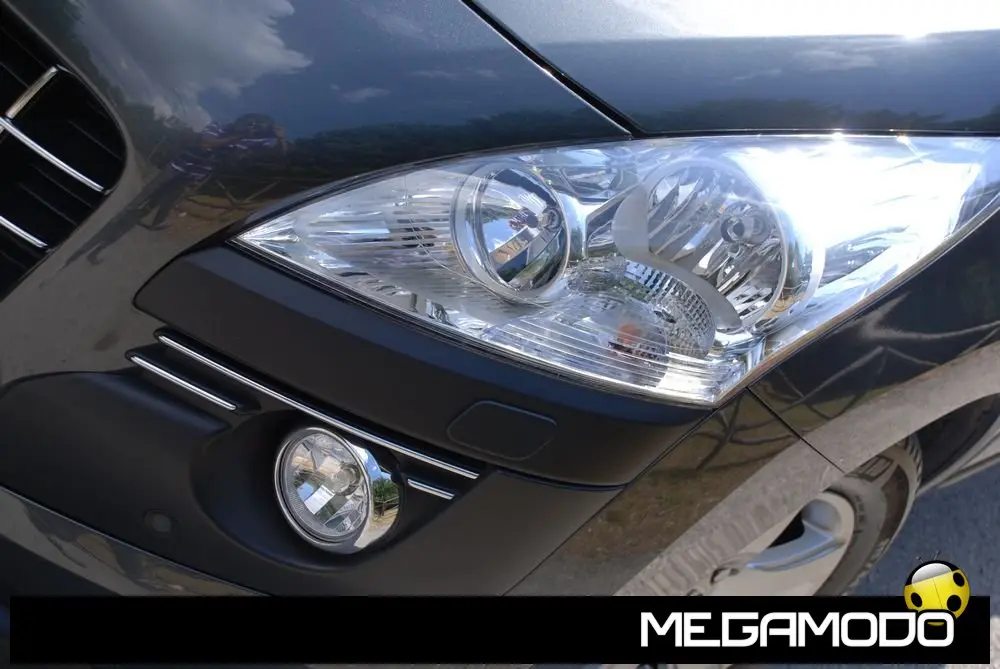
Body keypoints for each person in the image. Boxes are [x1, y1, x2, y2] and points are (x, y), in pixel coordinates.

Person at [63, 113, 287, 267]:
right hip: (175, 169)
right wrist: (235, 138)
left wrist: (279, 137)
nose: (247, 129)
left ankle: (99, 249)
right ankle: (94, 232)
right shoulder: (219, 127)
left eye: (251, 128)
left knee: (156, 206)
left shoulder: (247, 141)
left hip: (190, 178)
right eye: (245, 125)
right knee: (137, 201)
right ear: (237, 122)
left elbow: (279, 154)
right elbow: (206, 144)